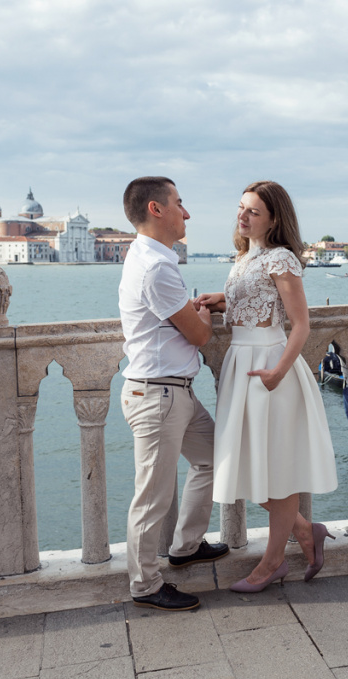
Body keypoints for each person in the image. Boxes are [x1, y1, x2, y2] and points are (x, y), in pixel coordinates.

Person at [195, 180, 337, 592]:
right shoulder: (245, 257)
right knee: (241, 463)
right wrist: (223, 300)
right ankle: (306, 531)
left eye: (253, 211)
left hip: (269, 369)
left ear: (274, 220)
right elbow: (258, 300)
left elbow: (301, 324)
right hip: (240, 364)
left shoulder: (281, 258)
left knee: (277, 468)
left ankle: (272, 564)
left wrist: (277, 373)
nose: (243, 216)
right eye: (241, 208)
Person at [118, 176, 229, 611]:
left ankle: (186, 546)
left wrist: (194, 311)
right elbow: (199, 336)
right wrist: (202, 313)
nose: (187, 213)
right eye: (179, 203)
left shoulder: (150, 257)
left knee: (213, 456)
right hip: (158, 396)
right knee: (152, 497)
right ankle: (145, 584)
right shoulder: (156, 267)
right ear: (156, 209)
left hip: (171, 392)